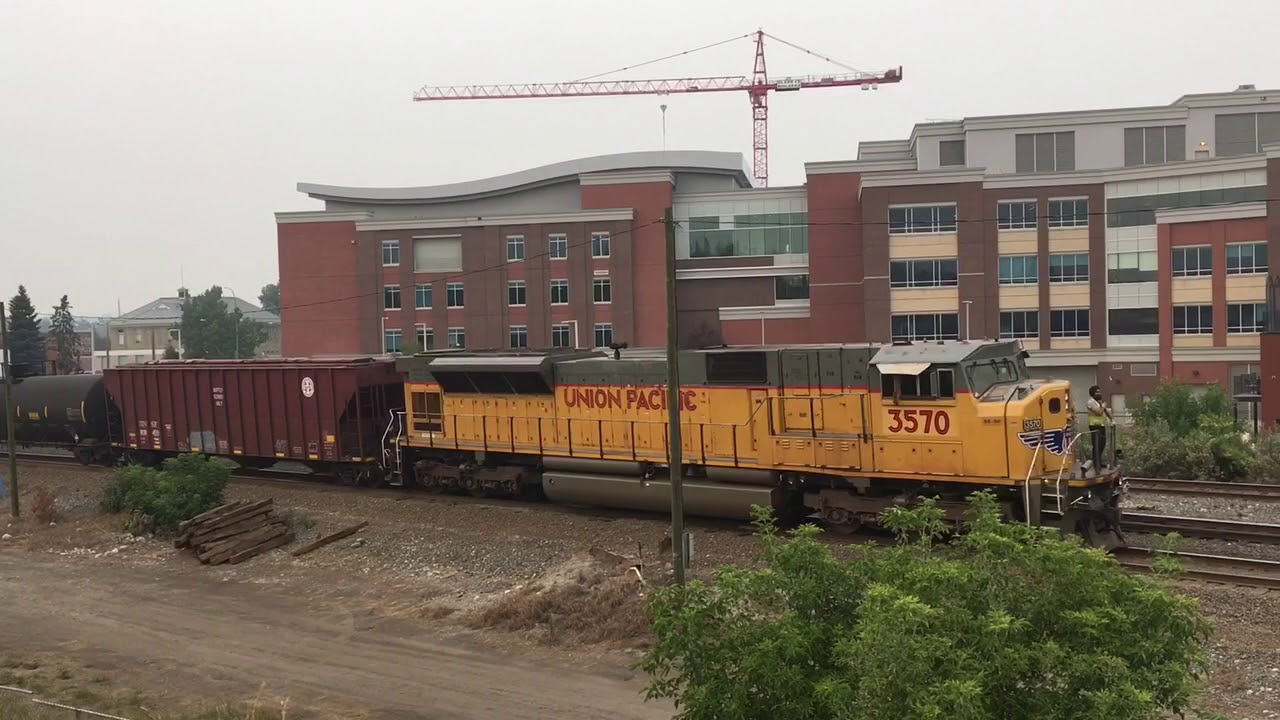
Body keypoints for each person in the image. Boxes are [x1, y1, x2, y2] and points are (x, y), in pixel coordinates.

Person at [1086, 385, 1112, 471]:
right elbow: (1099, 412)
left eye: (1099, 392)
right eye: (1097, 392)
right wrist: (1103, 406)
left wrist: (1112, 419)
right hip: (1094, 426)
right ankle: (1096, 463)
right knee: (1096, 444)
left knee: (1102, 444)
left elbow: (1105, 411)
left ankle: (1099, 461)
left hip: (1101, 425)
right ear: (1092, 393)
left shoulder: (1099, 402)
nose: (1099, 393)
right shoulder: (1090, 402)